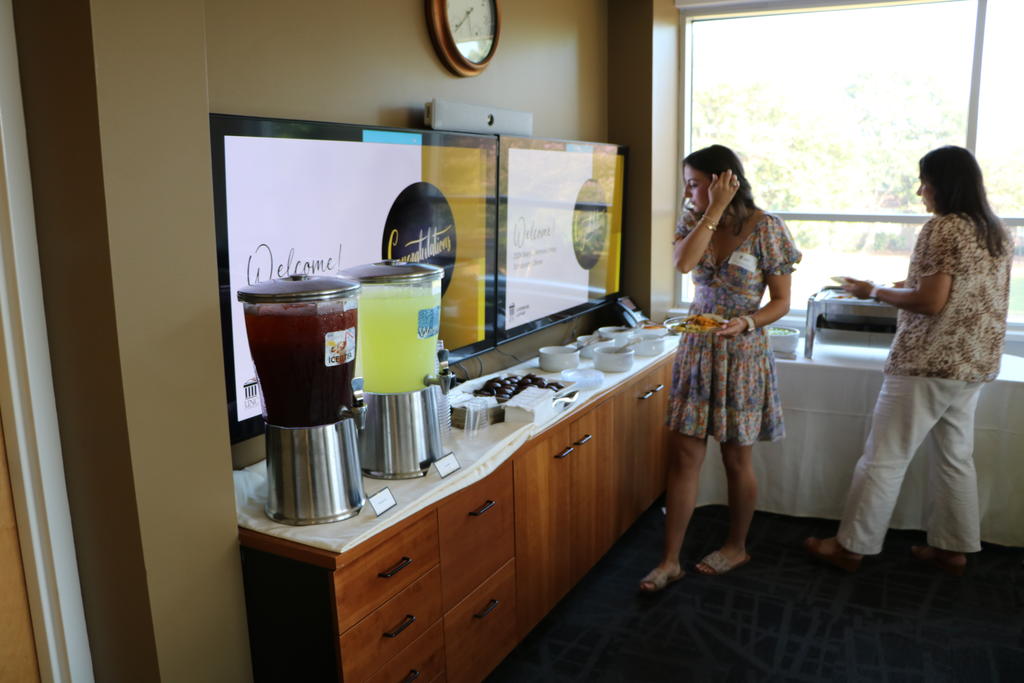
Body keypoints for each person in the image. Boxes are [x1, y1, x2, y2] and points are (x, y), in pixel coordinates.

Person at [804, 146, 1013, 576]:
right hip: (974, 362)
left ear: (943, 184)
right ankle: (952, 549)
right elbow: (948, 285)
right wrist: (884, 284)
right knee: (956, 457)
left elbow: (930, 300)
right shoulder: (995, 231)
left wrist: (872, 292)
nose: (921, 192)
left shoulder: (943, 228)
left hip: (928, 363)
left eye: (925, 182)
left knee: (883, 457)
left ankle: (850, 548)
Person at [640, 144, 801, 592]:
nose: (688, 191)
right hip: (698, 349)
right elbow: (684, 263)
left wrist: (749, 321)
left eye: (694, 182)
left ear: (721, 178)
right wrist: (712, 209)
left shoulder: (767, 228)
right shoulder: (694, 220)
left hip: (742, 354)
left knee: (736, 458)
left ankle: (736, 545)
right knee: (685, 456)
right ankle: (670, 560)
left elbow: (783, 302)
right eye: (687, 184)